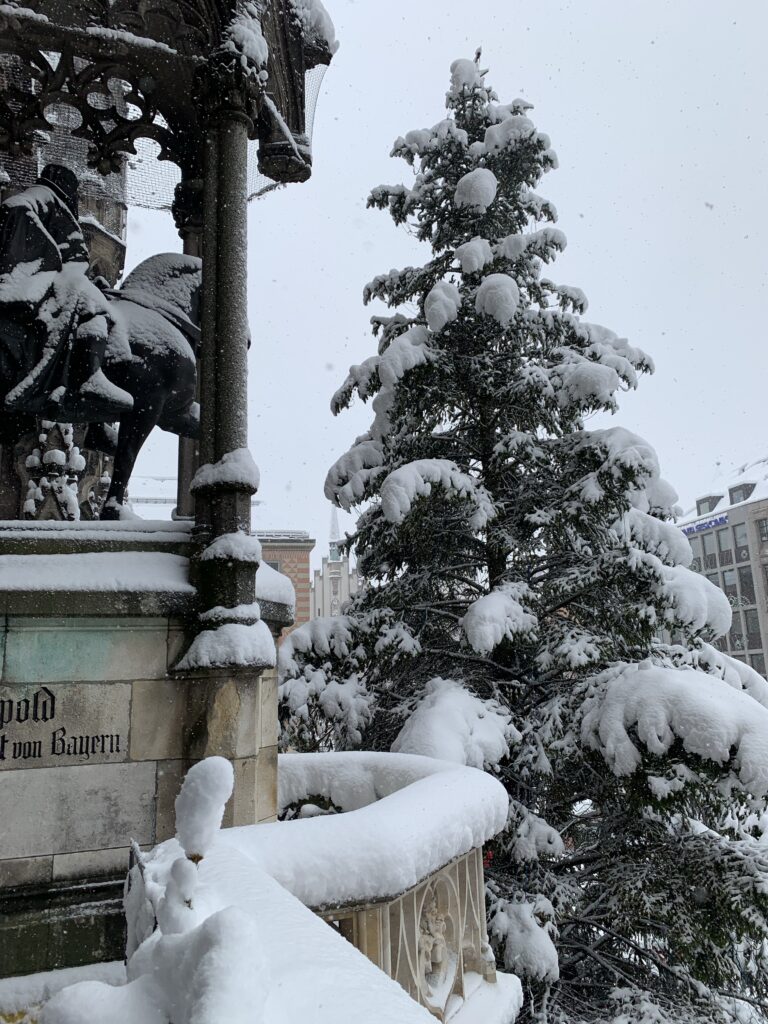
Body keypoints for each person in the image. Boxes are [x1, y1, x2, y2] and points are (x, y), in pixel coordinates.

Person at [0, 163, 133, 421]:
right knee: (93, 305)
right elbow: (75, 256)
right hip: (34, 280)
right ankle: (89, 378)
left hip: (20, 278)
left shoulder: (27, 199)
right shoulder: (51, 202)